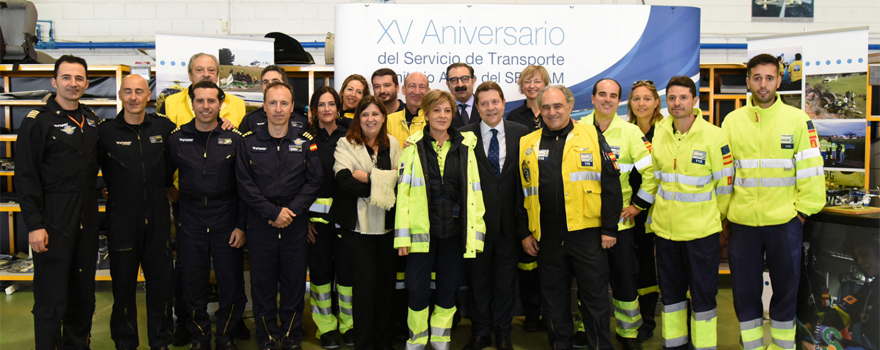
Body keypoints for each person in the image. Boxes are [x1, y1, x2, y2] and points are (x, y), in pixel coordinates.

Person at [722, 53, 825, 350]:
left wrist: (801, 214)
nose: (763, 84)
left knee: (786, 293)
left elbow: (811, 171)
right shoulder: (732, 121)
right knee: (744, 294)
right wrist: (726, 214)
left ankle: (783, 347)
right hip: (743, 225)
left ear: (779, 80)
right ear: (748, 82)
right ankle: (752, 347)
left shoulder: (797, 120)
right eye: (757, 78)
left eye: (769, 78)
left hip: (785, 223)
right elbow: (725, 175)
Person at [518, 85, 623, 350]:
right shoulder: (527, 143)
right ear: (539, 110)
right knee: (553, 299)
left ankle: (599, 346)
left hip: (586, 234)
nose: (552, 112)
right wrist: (525, 232)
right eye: (546, 107)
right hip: (547, 237)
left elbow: (611, 183)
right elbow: (519, 191)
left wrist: (610, 228)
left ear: (570, 107)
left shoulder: (591, 134)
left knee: (595, 298)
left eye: (557, 106)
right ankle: (560, 345)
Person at [160, 52, 247, 345]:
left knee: (230, 282)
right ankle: (199, 336)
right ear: (192, 103)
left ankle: (225, 336)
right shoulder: (177, 138)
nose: (206, 106)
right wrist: (176, 199)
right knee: (192, 283)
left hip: (226, 219)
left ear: (221, 104)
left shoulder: (235, 141)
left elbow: (246, 187)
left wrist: (241, 225)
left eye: (212, 101)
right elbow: (161, 177)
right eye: (200, 101)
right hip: (191, 219)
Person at [16, 55, 101, 350]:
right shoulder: (37, 122)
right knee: (52, 297)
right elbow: (26, 177)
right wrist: (35, 225)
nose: (73, 83)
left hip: (87, 221)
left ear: (86, 83)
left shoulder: (91, 120)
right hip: (53, 221)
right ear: (54, 82)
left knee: (83, 295)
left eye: (79, 78)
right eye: (66, 77)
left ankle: (78, 345)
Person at [395, 89, 487, 350]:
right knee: (417, 290)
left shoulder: (465, 148)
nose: (442, 115)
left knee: (448, 289)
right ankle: (417, 340)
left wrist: (475, 234)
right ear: (425, 114)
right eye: (436, 110)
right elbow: (403, 194)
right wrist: (402, 236)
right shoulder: (412, 148)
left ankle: (440, 338)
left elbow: (474, 193)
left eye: (447, 110)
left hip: (455, 234)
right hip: (421, 234)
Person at [236, 82, 323, 350]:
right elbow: (244, 185)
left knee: (294, 283)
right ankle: (266, 336)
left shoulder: (306, 141)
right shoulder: (248, 142)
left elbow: (314, 181)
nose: (278, 109)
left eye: (284, 103)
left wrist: (291, 211)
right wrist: (272, 212)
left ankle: (291, 335)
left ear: (292, 107)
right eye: (272, 103)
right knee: (262, 284)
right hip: (261, 223)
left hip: (294, 224)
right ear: (263, 106)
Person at [652, 76, 733, 350]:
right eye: (672, 98)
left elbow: (725, 186)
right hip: (666, 231)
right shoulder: (660, 131)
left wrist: (713, 217)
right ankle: (674, 344)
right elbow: (656, 178)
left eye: (683, 97)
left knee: (703, 296)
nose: (677, 103)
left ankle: (704, 346)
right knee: (672, 295)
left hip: (701, 233)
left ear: (695, 101)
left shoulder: (714, 136)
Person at [97, 74, 176, 350]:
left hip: (157, 219)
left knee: (161, 288)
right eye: (128, 91)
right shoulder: (104, 132)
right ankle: (125, 342)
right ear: (120, 94)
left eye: (139, 92)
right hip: (121, 221)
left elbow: (179, 158)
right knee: (123, 289)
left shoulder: (165, 128)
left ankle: (161, 342)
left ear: (148, 96)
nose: (133, 97)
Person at [581, 78, 657, 350]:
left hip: (620, 225)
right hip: (585, 224)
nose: (607, 99)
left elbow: (652, 174)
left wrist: (638, 205)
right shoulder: (577, 130)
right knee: (588, 283)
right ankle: (585, 329)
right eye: (602, 94)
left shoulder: (630, 133)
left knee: (624, 282)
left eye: (613, 96)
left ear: (618, 101)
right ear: (592, 98)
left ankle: (628, 332)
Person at [460, 82, 529, 350]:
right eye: (485, 103)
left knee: (505, 282)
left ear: (503, 103)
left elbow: (526, 183)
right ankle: (480, 332)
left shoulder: (521, 133)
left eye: (495, 102)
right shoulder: (463, 135)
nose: (491, 107)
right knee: (478, 282)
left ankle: (503, 333)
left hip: (510, 225)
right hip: (476, 225)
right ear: (477, 107)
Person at [332, 95, 402, 350]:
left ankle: (384, 342)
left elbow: (401, 183)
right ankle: (363, 343)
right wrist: (384, 181)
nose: (370, 119)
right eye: (365, 115)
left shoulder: (393, 145)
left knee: (386, 288)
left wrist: (369, 177)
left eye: (375, 114)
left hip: (387, 228)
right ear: (357, 118)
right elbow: (346, 183)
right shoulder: (345, 144)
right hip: (358, 230)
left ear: (383, 117)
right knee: (363, 288)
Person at [304, 86, 352, 349]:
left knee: (347, 275)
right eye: (321, 105)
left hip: (346, 221)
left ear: (338, 107)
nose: (326, 109)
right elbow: (296, 183)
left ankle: (348, 325)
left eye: (331, 104)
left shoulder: (351, 136)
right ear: (314, 110)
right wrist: (303, 220)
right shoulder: (304, 139)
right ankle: (326, 328)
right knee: (321, 276)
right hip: (316, 225)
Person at [626, 79, 664, 343]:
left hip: (661, 209)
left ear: (656, 102)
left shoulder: (666, 131)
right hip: (633, 211)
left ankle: (651, 320)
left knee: (658, 269)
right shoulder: (625, 130)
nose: (641, 104)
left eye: (646, 98)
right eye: (636, 99)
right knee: (638, 268)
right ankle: (638, 322)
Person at [158, 52, 246, 128]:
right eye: (199, 70)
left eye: (211, 70)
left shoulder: (238, 104)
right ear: (190, 75)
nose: (206, 74)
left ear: (217, 76)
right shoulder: (170, 103)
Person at [238, 65, 308, 134]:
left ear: (285, 84)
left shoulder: (302, 118)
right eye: (266, 82)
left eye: (275, 81)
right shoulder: (250, 119)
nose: (270, 85)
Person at [387, 72, 429, 149]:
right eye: (412, 86)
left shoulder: (433, 121)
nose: (417, 92)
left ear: (428, 91)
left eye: (422, 87)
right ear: (403, 90)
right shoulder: (389, 120)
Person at [506, 65, 549, 131]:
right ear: (522, 86)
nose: (532, 86)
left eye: (537, 81)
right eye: (527, 82)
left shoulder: (552, 113)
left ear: (545, 85)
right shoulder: (513, 117)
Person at [446, 63, 480, 129]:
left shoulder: (484, 106)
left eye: (465, 79)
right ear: (448, 84)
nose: (460, 85)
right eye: (454, 80)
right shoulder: (442, 110)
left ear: (473, 81)